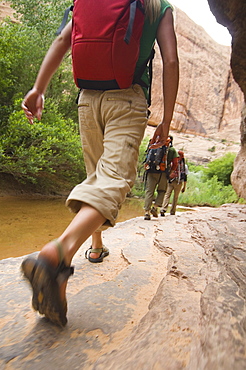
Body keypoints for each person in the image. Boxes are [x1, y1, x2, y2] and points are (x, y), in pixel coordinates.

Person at [21, 0, 179, 326]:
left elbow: (63, 41)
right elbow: (171, 59)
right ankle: (57, 254)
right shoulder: (158, 6)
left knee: (96, 176)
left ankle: (96, 248)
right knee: (114, 180)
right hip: (126, 97)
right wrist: (166, 120)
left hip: (87, 99)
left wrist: (38, 89)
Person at [143, 135, 178, 219]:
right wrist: (171, 172)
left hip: (150, 171)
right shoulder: (171, 149)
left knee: (149, 191)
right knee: (162, 191)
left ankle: (147, 212)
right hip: (163, 172)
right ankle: (154, 208)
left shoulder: (153, 145)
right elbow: (175, 162)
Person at [160, 150, 188, 216]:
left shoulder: (179, 165)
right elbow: (185, 176)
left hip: (176, 182)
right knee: (169, 195)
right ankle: (165, 210)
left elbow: (185, 177)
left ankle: (169, 210)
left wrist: (184, 187)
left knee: (171, 196)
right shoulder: (181, 165)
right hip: (174, 182)